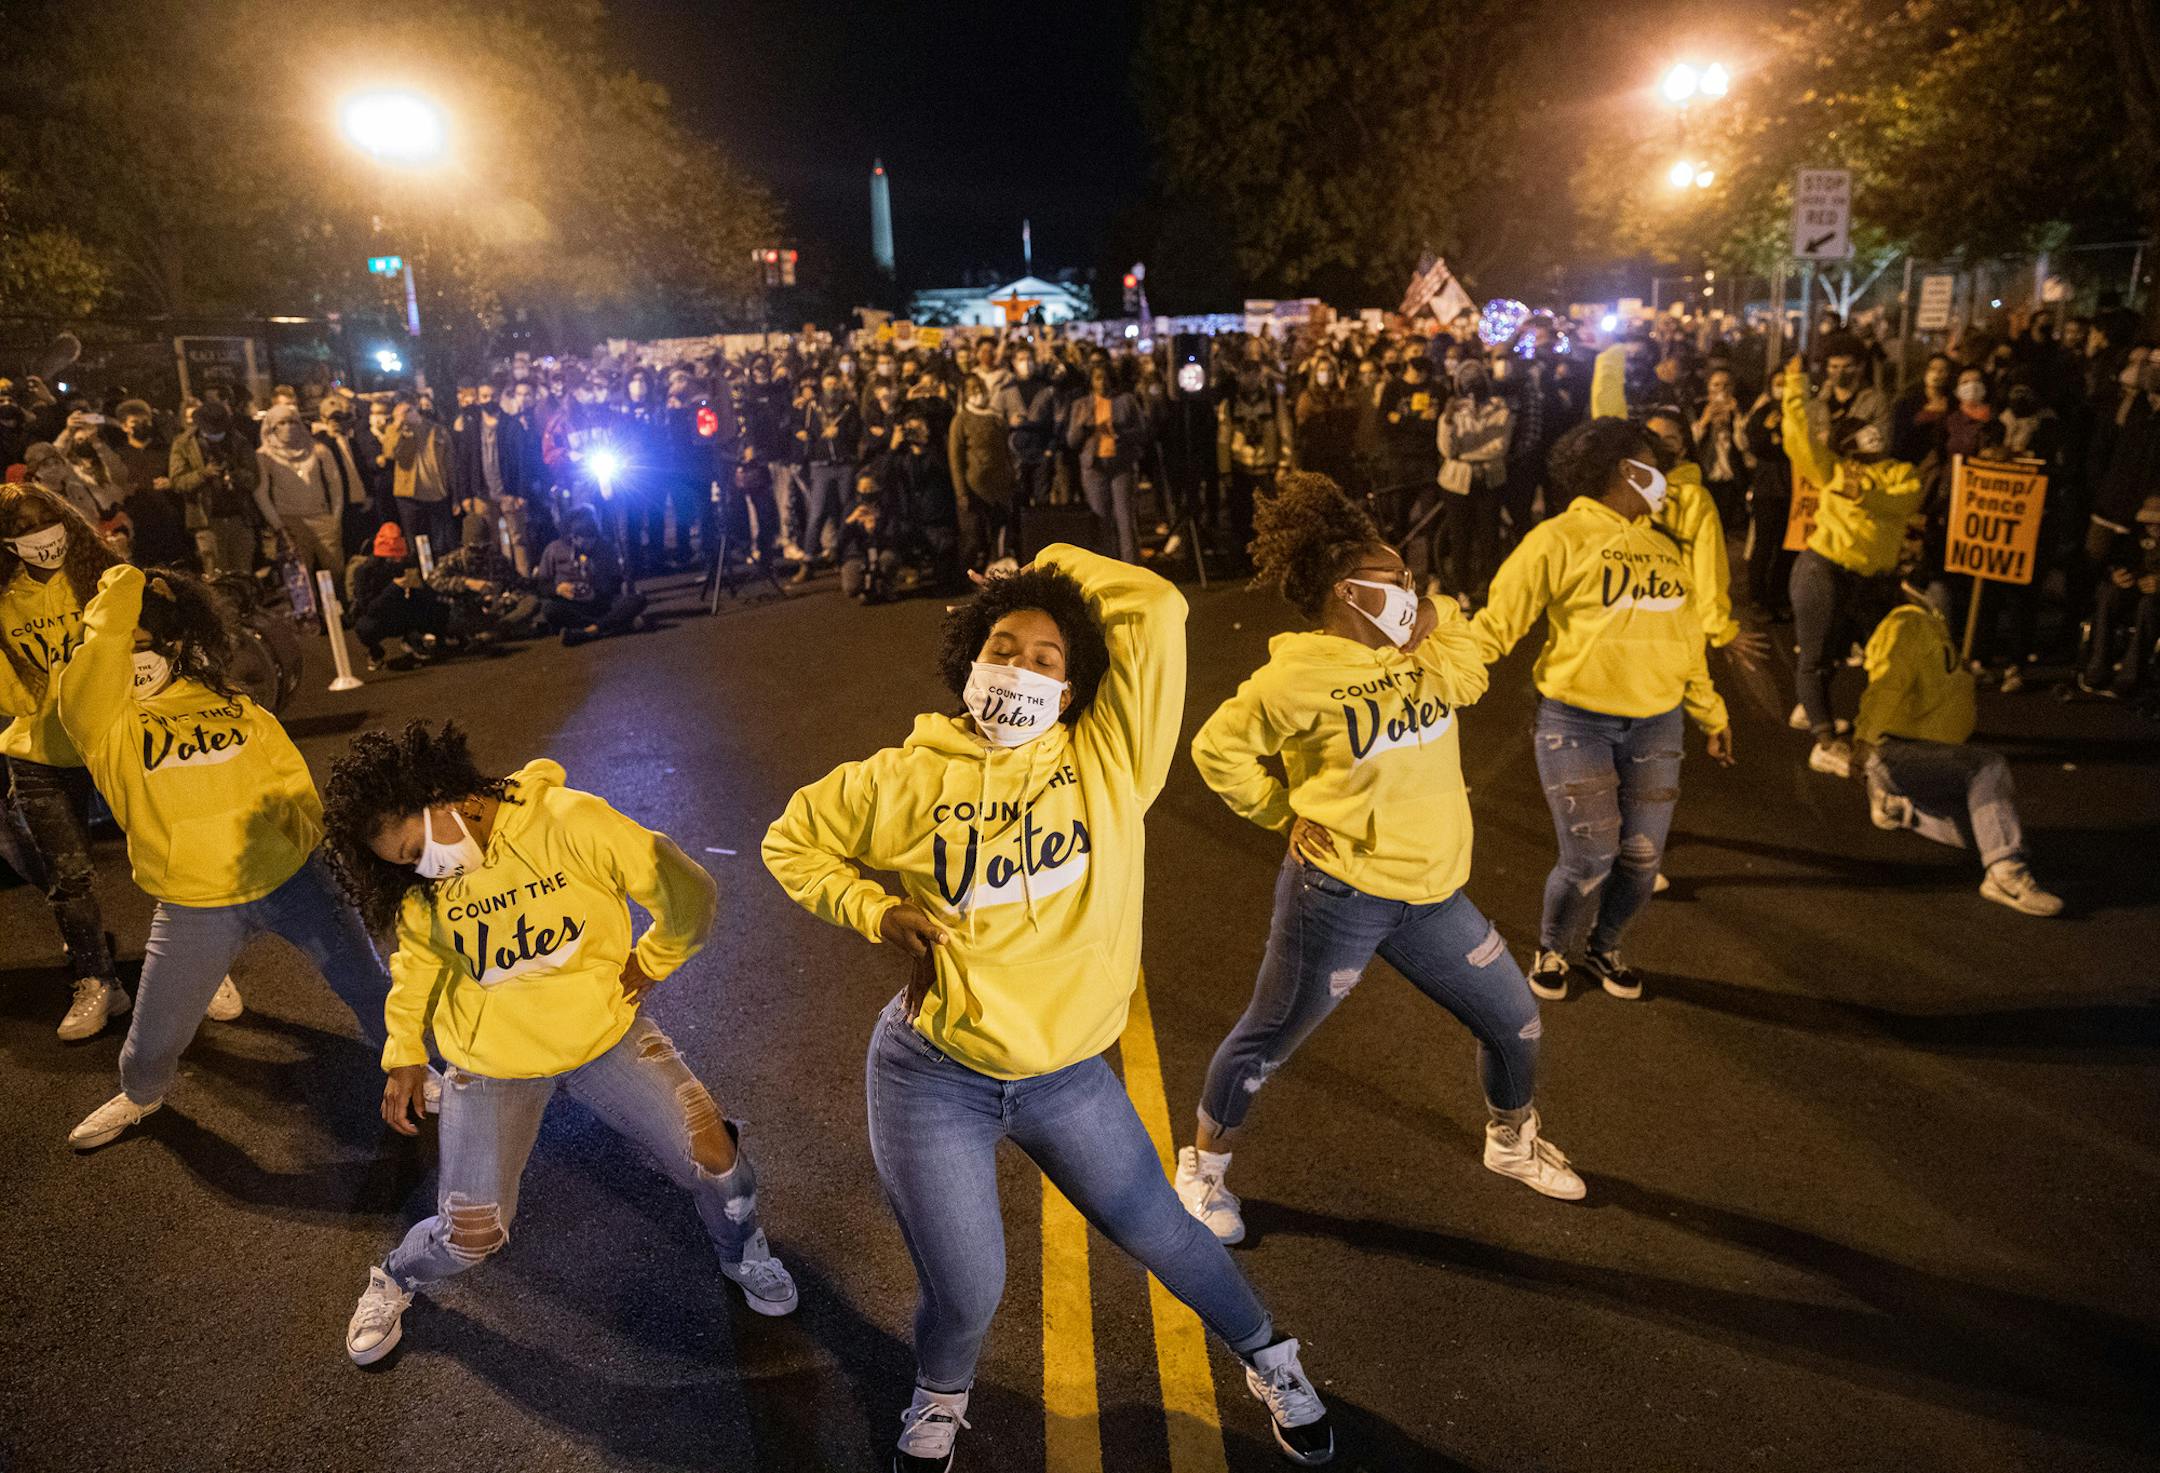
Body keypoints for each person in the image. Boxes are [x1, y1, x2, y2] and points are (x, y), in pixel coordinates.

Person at [763, 547, 1336, 1470]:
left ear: (1071, 692)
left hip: (1065, 1074)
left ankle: (1272, 1356)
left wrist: (1043, 569)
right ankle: (940, 1396)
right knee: (969, 1287)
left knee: (1162, 1231)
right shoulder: (902, 779)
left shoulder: (1109, 760)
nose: (1020, 668)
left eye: (1044, 658)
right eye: (1003, 645)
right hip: (932, 1077)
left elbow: (1152, 602)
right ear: (969, 662)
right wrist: (872, 907)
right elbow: (790, 840)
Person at [1176, 473, 1582, 1250]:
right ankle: (1204, 1167)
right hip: (1341, 895)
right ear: (1346, 592)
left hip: (1432, 894)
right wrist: (1281, 812)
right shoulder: (1296, 676)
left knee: (1516, 1021)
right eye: (1393, 580)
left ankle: (1510, 1140)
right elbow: (1217, 749)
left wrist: (1433, 620)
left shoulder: (1420, 651)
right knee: (1267, 1040)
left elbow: (1469, 678)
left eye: (1409, 576)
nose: (1409, 588)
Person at [324, 721, 796, 1366]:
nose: (419, 870)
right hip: (492, 1062)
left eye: (413, 851)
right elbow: (418, 963)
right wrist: (404, 1050)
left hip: (602, 1032)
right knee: (470, 1237)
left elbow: (688, 890)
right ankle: (395, 1277)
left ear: (444, 795)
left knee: (717, 1161)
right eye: (402, 866)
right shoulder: (428, 887)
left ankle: (743, 1252)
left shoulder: (569, 821)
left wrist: (654, 960)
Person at [55, 563, 402, 1148]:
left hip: (293, 880)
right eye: (125, 646)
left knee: (366, 983)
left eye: (149, 644)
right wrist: (127, 589)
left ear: (180, 645)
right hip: (195, 903)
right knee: (156, 1035)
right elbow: (97, 656)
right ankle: (141, 1096)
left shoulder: (232, 704)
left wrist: (326, 855)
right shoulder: (104, 720)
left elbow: (289, 783)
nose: (134, 657)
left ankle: (420, 1070)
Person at [1469, 419, 1735, 1002]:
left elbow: (1687, 644)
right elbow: (1495, 626)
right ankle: (1553, 948)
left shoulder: (1668, 549)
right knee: (1589, 856)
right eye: (1652, 465)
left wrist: (1712, 715)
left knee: (1641, 860)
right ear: (1625, 471)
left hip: (1659, 722)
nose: (1663, 477)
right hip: (1575, 722)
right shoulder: (1556, 540)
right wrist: (1433, 677)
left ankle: (1604, 947)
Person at [0, 485, 137, 1037]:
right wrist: (43, 700)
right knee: (68, 876)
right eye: (27, 529)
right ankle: (99, 980)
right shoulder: (4, 599)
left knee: (160, 852)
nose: (43, 537)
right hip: (41, 751)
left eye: (48, 521)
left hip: (114, 737)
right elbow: (10, 689)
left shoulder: (99, 574)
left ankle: (196, 969)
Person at [1855, 573, 2064, 916]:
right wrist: (1863, 741)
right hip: (1902, 751)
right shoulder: (1903, 626)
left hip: (1922, 753)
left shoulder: (1921, 625)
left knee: (1989, 834)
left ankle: (1899, 807)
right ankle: (2004, 877)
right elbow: (1886, 687)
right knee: (1988, 766)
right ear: (1900, 594)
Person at [1782, 355, 1926, 776]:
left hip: (1872, 582)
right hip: (1823, 570)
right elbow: (1798, 441)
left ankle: (1857, 721)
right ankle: (1825, 740)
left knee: (1883, 656)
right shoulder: (1833, 470)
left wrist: (1861, 493)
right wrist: (1794, 388)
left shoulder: (1902, 474)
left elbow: (1903, 502)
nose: (1869, 438)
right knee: (1816, 656)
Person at [1433, 358, 1513, 608]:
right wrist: (1447, 421)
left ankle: (1493, 590)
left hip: (1489, 481)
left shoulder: (1501, 409)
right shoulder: (1454, 412)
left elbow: (1498, 447)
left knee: (1489, 538)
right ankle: (1462, 590)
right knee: (1460, 539)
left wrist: (1464, 455)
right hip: (1457, 484)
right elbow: (1447, 449)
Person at [169, 400, 262, 576]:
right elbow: (177, 481)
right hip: (207, 522)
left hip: (239, 518)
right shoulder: (184, 444)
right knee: (217, 577)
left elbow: (254, 478)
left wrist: (234, 474)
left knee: (243, 574)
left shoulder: (238, 441)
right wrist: (204, 474)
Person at [1065, 361, 1145, 562]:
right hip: (1095, 468)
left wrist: (1119, 433)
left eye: (1106, 377)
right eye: (1098, 378)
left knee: (1125, 519)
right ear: (1091, 381)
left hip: (1121, 466)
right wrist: (1082, 426)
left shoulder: (1126, 401)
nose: (1103, 383)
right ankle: (1107, 567)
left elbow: (1143, 431)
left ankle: (1131, 567)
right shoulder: (1082, 405)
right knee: (1101, 520)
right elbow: (1072, 441)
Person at [252, 403, 343, 576]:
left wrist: (335, 519)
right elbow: (260, 493)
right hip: (290, 521)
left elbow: (335, 484)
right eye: (282, 423)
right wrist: (279, 526)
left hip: (321, 517)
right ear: (272, 427)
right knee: (300, 578)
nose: (288, 427)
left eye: (292, 422)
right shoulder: (265, 455)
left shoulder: (317, 449)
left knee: (335, 571)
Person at [534, 506, 646, 646]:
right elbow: (541, 586)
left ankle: (589, 631)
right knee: (550, 609)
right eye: (586, 540)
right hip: (573, 605)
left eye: (593, 538)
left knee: (638, 600)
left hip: (599, 602)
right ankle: (611, 625)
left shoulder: (604, 546)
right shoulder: (554, 549)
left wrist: (601, 587)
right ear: (573, 537)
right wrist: (558, 589)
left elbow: (616, 583)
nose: (590, 544)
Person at [947, 375, 1014, 571]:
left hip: (998, 488)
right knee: (973, 536)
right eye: (972, 389)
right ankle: (963, 574)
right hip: (974, 488)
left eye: (980, 387)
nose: (977, 392)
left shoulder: (995, 418)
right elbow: (955, 459)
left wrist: (1010, 478)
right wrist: (961, 492)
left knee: (997, 535)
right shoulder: (961, 421)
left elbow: (1005, 452)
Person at [381, 396, 456, 560]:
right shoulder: (396, 431)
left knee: (441, 544)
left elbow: (450, 463)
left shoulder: (438, 430)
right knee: (416, 545)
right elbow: (389, 453)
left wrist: (455, 495)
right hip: (409, 496)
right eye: (400, 413)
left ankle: (442, 579)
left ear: (415, 409)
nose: (405, 416)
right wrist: (397, 425)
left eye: (407, 411)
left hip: (437, 493)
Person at [992, 345, 1059, 508]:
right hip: (1017, 453)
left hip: (1041, 450)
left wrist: (1051, 448)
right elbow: (995, 421)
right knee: (1019, 498)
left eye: (1029, 359)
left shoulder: (1046, 388)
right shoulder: (1006, 390)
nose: (1026, 363)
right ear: (1014, 362)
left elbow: (1056, 419)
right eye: (1021, 359)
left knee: (1042, 499)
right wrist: (1009, 424)